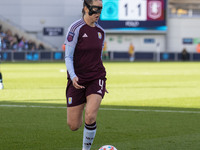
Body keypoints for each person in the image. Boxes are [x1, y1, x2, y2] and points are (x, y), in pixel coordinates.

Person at [64, 0, 107, 150]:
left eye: (100, 10)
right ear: (85, 8)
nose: (98, 13)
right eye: (95, 9)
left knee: (90, 115)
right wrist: (73, 75)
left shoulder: (101, 32)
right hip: (77, 79)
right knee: (74, 125)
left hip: (96, 77)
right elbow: (68, 57)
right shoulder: (75, 28)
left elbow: (98, 57)